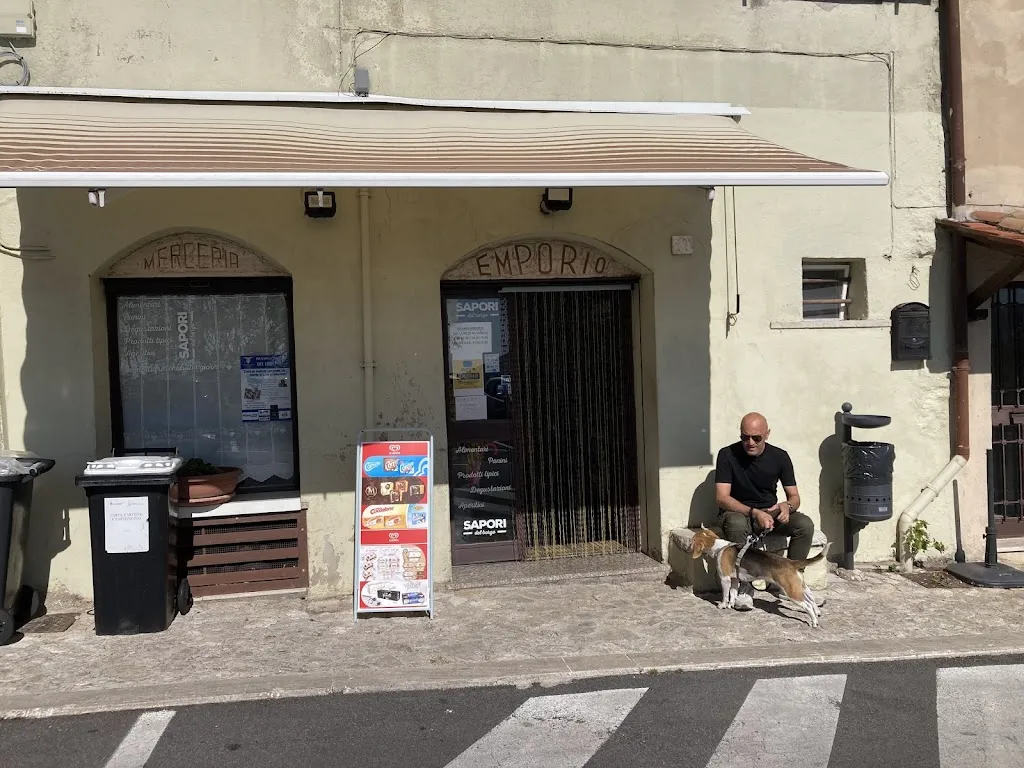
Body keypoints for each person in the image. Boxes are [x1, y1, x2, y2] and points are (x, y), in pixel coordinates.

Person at [713, 412, 815, 611]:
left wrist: (787, 506)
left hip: (770, 513)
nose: (750, 442)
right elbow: (722, 497)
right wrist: (753, 512)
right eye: (745, 437)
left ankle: (794, 581)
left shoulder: (780, 456)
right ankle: (744, 587)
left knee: (804, 525)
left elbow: (794, 497)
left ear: (767, 434)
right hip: (739, 512)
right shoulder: (727, 455)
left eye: (756, 438)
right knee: (736, 523)